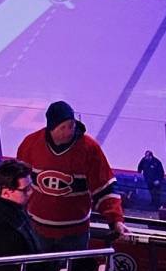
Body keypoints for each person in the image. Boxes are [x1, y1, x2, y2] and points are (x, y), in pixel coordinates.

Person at [14, 100, 124, 252]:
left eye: (71, 125)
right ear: (51, 128)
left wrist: (116, 220)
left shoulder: (89, 148)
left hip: (75, 233)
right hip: (37, 229)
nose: (68, 131)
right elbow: (18, 183)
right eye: (62, 127)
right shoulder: (30, 144)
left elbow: (104, 188)